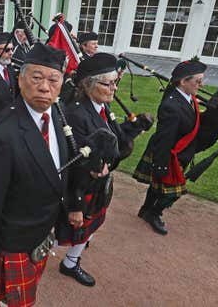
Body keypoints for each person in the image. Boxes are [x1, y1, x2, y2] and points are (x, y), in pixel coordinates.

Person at [0, 43, 68, 307]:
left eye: (53, 80)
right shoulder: (1, 134)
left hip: (43, 230)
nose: (45, 87)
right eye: (36, 78)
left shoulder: (57, 116)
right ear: (20, 79)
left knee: (20, 293)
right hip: (13, 239)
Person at [55, 53, 152, 286]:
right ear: (89, 84)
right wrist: (75, 206)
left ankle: (70, 262)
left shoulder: (101, 106)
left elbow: (113, 141)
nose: (114, 89)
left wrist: (133, 128)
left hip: (98, 183)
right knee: (71, 227)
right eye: (108, 83)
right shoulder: (77, 115)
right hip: (81, 186)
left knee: (90, 227)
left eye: (115, 82)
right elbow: (78, 164)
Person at [133, 59, 207, 235]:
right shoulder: (172, 106)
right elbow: (165, 138)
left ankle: (145, 209)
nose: (201, 84)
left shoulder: (187, 98)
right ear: (183, 82)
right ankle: (154, 213)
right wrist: (161, 165)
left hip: (180, 152)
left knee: (157, 186)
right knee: (174, 191)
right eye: (198, 81)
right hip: (168, 153)